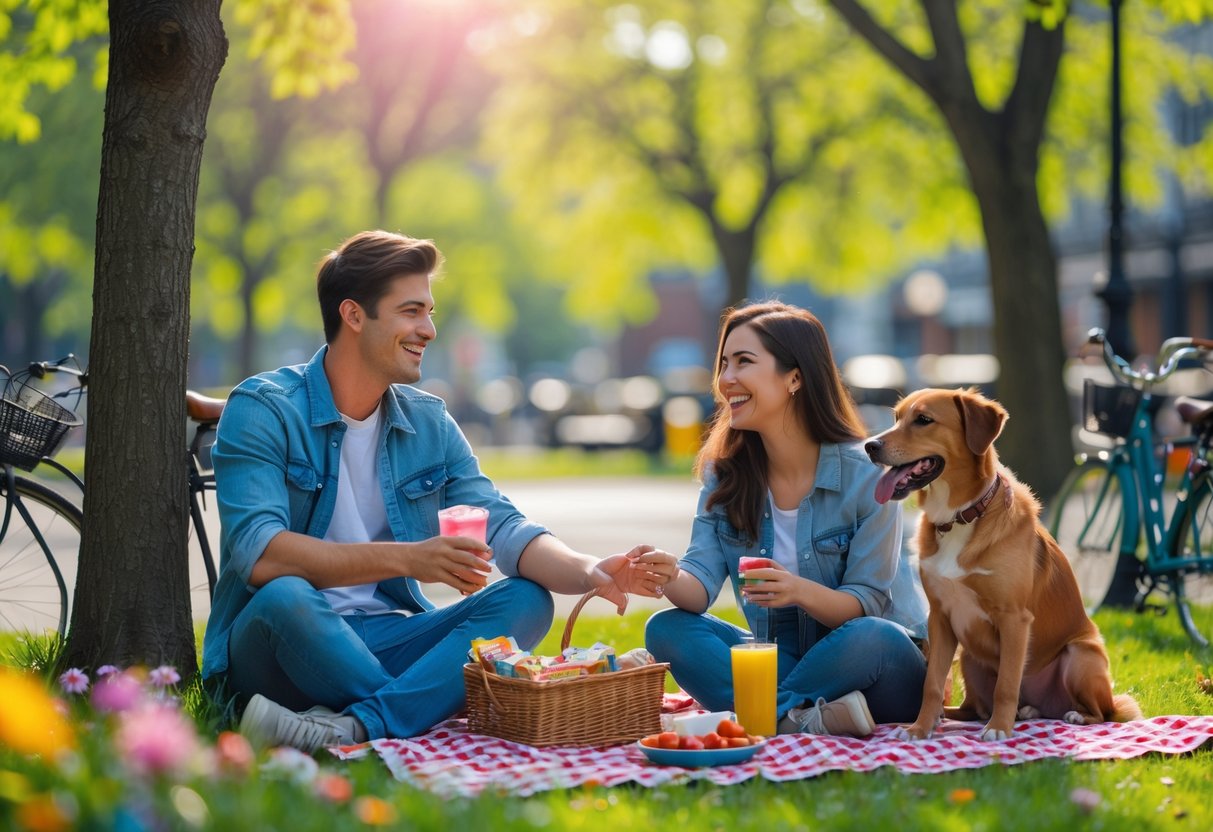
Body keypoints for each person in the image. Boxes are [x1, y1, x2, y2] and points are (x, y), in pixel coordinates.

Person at [201, 230, 670, 752]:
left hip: (388, 640)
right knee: (287, 595)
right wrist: (408, 559)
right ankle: (416, 712)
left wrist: (589, 571)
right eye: (411, 311)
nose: (428, 329)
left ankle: (356, 726)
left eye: (429, 312)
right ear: (354, 315)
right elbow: (261, 557)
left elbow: (504, 525)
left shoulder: (428, 423)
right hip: (281, 642)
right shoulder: (264, 408)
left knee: (527, 598)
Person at [642, 301, 928, 736]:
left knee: (875, 635)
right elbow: (698, 587)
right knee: (668, 628)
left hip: (876, 668)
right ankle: (795, 720)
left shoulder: (867, 475)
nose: (725, 380)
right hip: (787, 661)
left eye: (744, 362)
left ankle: (762, 714)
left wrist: (797, 591)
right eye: (723, 364)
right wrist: (668, 574)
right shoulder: (726, 476)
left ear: (794, 376)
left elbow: (867, 603)